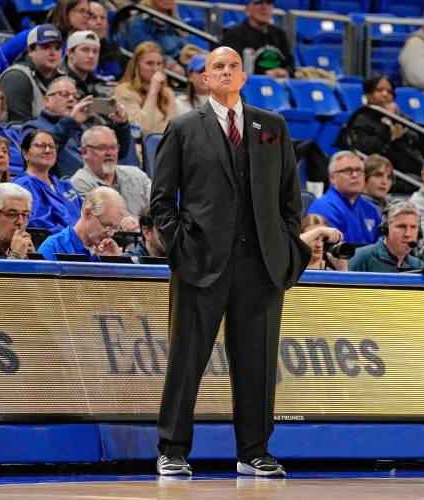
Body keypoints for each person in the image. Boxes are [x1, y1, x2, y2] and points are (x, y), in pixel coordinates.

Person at [150, 46, 309, 477]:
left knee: (257, 362)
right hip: (200, 261)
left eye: (232, 66)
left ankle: (254, 450)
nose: (225, 71)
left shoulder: (272, 126)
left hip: (261, 265)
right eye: (216, 66)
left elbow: (290, 199)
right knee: (187, 358)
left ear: (243, 77)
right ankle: (172, 448)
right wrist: (181, 247)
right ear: (203, 78)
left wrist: (285, 243)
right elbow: (161, 201)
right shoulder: (183, 128)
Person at [23, 77, 135, 179]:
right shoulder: (33, 127)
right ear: (47, 101)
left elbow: (118, 153)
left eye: (75, 96)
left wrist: (121, 125)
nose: (71, 99)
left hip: (99, 182)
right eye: (64, 94)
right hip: (66, 188)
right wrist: (71, 121)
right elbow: (43, 151)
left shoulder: (88, 124)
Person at [334, 76, 424, 188]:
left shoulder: (400, 117)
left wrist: (395, 122)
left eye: (389, 91)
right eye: (379, 90)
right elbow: (367, 150)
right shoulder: (360, 119)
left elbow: (418, 140)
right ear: (368, 95)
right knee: (417, 182)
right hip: (381, 173)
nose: (385, 94)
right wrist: (388, 132)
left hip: (409, 167)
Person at [70, 125, 150, 230]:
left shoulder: (137, 174)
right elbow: (96, 226)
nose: (109, 153)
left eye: (113, 147)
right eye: (102, 147)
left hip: (147, 240)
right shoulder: (78, 183)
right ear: (85, 152)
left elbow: (158, 207)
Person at [113, 41, 188, 137]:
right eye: (149, 63)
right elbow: (141, 131)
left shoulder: (167, 93)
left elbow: (174, 131)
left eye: (159, 64)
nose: (155, 69)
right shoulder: (124, 91)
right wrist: (153, 92)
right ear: (137, 65)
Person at [14, 130, 82, 233]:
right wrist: (77, 235)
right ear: (25, 153)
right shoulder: (22, 186)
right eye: (41, 145)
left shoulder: (65, 185)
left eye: (52, 146)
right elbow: (38, 224)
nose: (47, 150)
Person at [307, 150, 380, 244]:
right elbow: (332, 252)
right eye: (348, 170)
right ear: (333, 178)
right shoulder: (324, 208)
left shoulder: (370, 208)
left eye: (359, 170)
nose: (355, 175)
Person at [38, 185, 123, 260]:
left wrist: (115, 262)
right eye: (107, 226)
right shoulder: (53, 248)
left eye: (115, 228)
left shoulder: (110, 251)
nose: (111, 234)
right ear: (87, 213)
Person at [0, 24, 63, 122]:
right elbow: (19, 127)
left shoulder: (63, 79)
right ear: (30, 51)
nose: (53, 53)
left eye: (57, 48)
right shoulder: (16, 78)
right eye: (46, 47)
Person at [220, 0, 294, 78]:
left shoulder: (279, 34)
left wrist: (286, 71)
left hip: (278, 85)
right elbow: (231, 66)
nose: (264, 7)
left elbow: (290, 64)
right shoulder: (235, 34)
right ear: (247, 9)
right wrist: (264, 73)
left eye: (268, 3)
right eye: (258, 3)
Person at [348, 200, 424, 272]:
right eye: (401, 226)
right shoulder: (360, 259)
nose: (408, 234)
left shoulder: (418, 265)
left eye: (413, 227)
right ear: (385, 228)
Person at [125, 0, 192, 73]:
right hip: (165, 72)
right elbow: (145, 53)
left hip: (186, 64)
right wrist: (172, 65)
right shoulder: (140, 24)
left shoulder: (175, 20)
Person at [0, 182, 36, 260]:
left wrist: (33, 260)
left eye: (24, 215)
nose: (20, 222)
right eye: (12, 214)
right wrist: (16, 256)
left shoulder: (24, 248)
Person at [58, 30, 111, 98]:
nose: (91, 56)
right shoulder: (56, 81)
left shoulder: (98, 85)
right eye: (85, 50)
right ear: (70, 52)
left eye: (95, 51)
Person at [88, 0, 128, 80]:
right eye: (94, 17)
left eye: (103, 18)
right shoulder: (74, 48)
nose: (99, 22)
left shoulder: (113, 51)